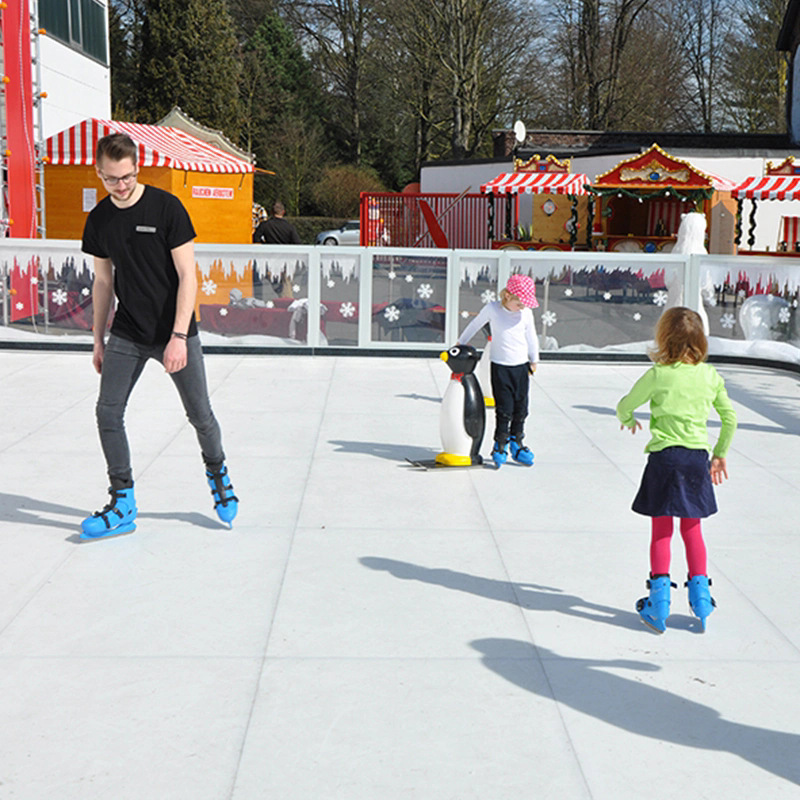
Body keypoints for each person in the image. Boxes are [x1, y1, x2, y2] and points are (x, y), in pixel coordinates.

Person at [79, 132, 237, 539]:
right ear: (99, 174)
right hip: (128, 332)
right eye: (112, 179)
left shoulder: (167, 208)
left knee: (199, 414)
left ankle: (217, 471)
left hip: (175, 330)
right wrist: (98, 339)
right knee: (107, 413)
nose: (121, 185)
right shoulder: (98, 220)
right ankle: (123, 499)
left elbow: (189, 275)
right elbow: (102, 281)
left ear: (137, 168)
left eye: (127, 176)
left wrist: (179, 336)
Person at [616, 307, 737, 633]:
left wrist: (628, 419)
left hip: (664, 461)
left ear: (664, 338)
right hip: (696, 461)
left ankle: (659, 603)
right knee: (692, 529)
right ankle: (701, 599)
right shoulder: (709, 376)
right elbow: (730, 417)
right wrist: (719, 453)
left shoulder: (658, 374)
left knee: (662, 531)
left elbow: (625, 405)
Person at [457, 273, 539, 468]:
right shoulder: (492, 309)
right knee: (504, 409)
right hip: (500, 367)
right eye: (520, 303)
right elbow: (475, 324)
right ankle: (500, 443)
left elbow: (532, 336)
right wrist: (461, 342)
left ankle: (517, 442)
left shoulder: (526, 313)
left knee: (522, 408)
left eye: (525, 304)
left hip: (521, 367)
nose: (523, 307)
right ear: (508, 296)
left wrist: (534, 359)